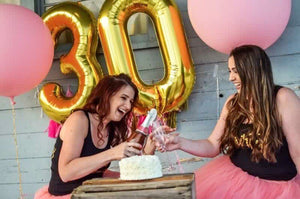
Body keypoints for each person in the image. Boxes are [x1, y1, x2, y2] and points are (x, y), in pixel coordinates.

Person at [153, 45, 300, 198]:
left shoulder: (283, 97)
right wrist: (180, 143)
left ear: (253, 69)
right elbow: (212, 145)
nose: (231, 78)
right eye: (230, 71)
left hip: (277, 190)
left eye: (236, 71)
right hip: (235, 183)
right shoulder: (233, 103)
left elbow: (298, 152)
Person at [34, 74, 156, 199]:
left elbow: (96, 172)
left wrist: (150, 147)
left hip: (91, 193)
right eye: (123, 98)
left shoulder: (110, 127)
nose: (128, 106)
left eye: (130, 101)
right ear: (106, 95)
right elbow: (66, 173)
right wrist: (112, 153)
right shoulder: (79, 119)